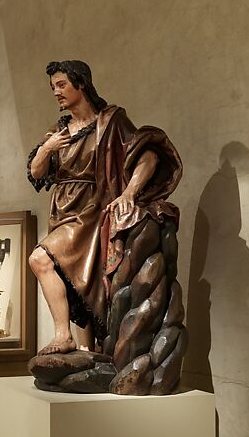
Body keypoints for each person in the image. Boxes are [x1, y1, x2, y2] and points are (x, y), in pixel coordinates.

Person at [27, 61, 182, 355]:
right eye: (53, 88)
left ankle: (63, 336)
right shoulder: (59, 130)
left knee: (40, 260)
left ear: (80, 83)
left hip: (90, 209)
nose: (56, 93)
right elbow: (36, 172)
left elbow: (148, 154)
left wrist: (129, 193)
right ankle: (86, 350)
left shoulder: (109, 122)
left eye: (61, 85)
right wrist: (47, 149)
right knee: (78, 283)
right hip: (62, 208)